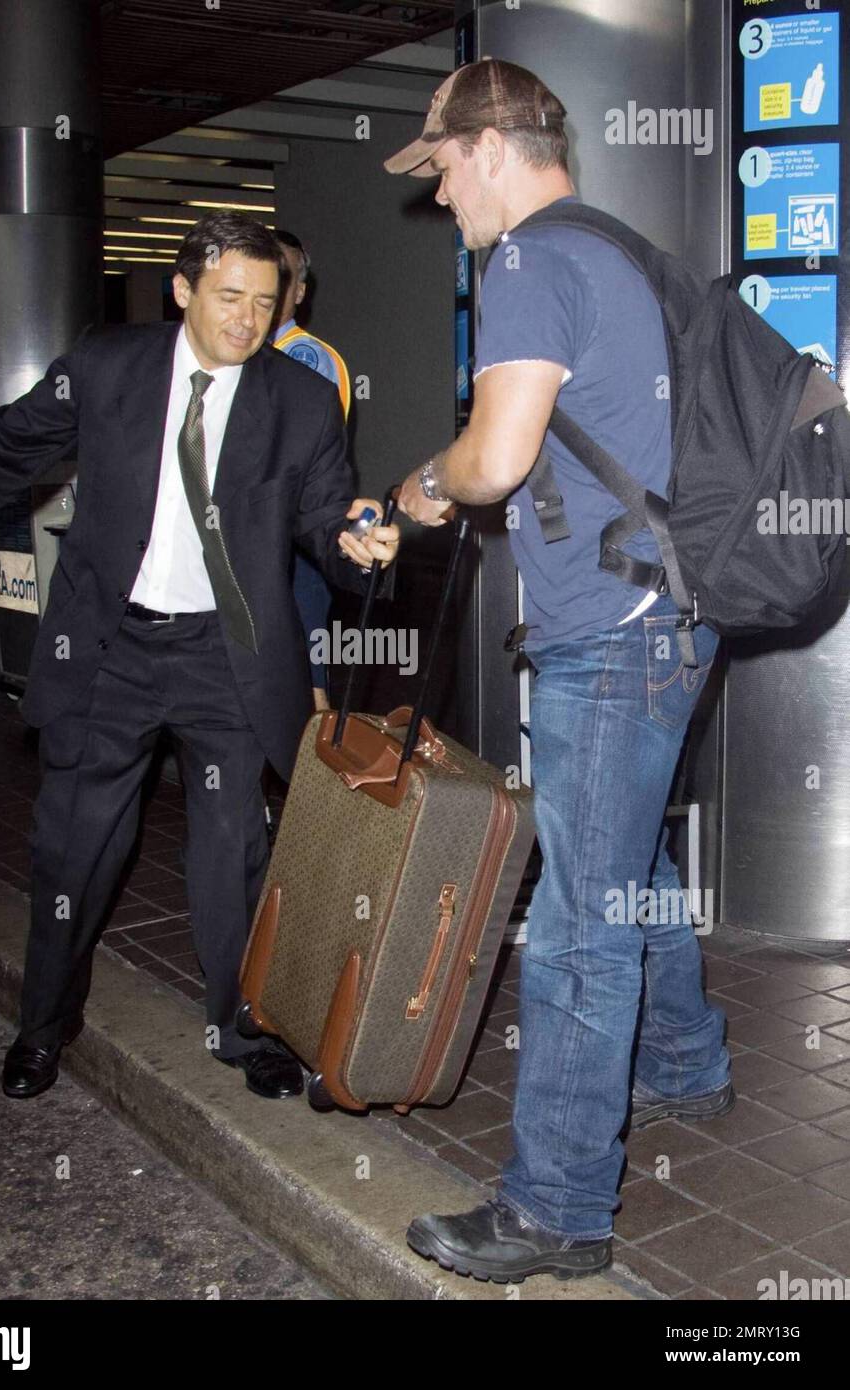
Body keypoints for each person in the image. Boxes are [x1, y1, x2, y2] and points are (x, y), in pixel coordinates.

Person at [0, 211, 399, 1104]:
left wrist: (358, 546)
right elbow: (5, 448)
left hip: (225, 655)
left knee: (233, 848)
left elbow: (326, 521)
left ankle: (242, 1026)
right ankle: (43, 1024)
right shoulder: (109, 367)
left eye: (265, 303)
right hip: (109, 650)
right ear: (182, 290)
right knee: (73, 850)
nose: (246, 321)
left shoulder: (298, 400)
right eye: (228, 298)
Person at [387, 59, 731, 1283]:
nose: (440, 200)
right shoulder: (617, 249)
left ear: (484, 146)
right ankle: (685, 1059)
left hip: (610, 633)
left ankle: (557, 1209)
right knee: (621, 857)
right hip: (672, 620)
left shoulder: (527, 260)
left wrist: (417, 490)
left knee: (577, 927)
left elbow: (492, 455)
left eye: (438, 171)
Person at [273, 229, 352, 712]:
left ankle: (314, 786)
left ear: (300, 291)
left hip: (299, 538)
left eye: (283, 277)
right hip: (269, 539)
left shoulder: (305, 357)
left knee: (307, 678)